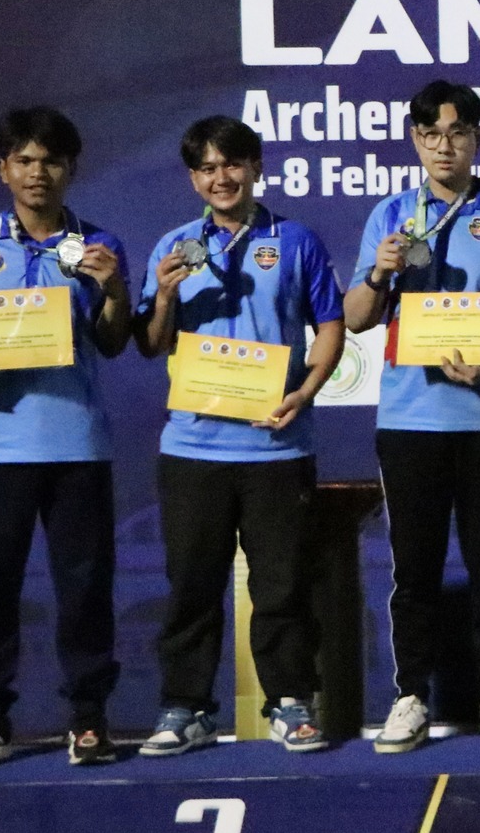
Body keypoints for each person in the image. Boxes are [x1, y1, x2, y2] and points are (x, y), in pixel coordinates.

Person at [0, 106, 132, 768]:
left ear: (70, 169)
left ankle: (89, 718)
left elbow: (113, 341)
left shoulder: (98, 245)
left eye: (51, 161)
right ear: (4, 169)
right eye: (25, 160)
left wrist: (113, 288)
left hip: (77, 443)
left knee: (85, 589)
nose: (38, 172)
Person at [346, 80, 480, 751]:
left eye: (457, 133)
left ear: (477, 138)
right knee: (414, 570)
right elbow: (356, 318)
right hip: (412, 418)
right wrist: (378, 273)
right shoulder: (391, 215)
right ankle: (410, 696)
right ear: (415, 139)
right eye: (431, 134)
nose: (444, 146)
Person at [133, 116, 345, 757]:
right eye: (206, 168)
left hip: (277, 445)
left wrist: (306, 392)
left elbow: (330, 325)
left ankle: (291, 702)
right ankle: (186, 708)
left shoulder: (295, 240)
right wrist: (164, 295)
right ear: (192, 178)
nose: (220, 178)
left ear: (255, 167)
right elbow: (151, 343)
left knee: (282, 586)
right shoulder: (174, 246)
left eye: (231, 164)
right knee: (191, 587)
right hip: (193, 447)